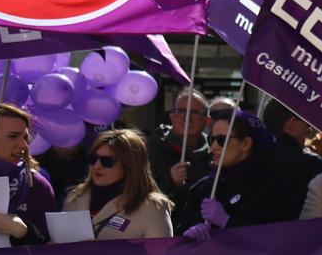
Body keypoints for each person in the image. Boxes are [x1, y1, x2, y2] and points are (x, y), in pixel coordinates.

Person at [176, 110, 282, 241]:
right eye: (211, 139)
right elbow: (176, 248)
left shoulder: (271, 186)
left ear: (246, 144)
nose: (213, 147)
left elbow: (274, 240)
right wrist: (189, 236)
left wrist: (227, 221)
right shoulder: (202, 188)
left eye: (222, 140)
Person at [65, 129, 173, 239]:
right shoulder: (74, 197)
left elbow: (161, 254)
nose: (97, 166)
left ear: (129, 166)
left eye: (107, 161)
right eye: (93, 159)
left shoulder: (153, 207)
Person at [0, 103, 56, 246]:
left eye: (25, 137)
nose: (24, 145)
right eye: (13, 136)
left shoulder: (37, 185)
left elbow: (51, 252)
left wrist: (23, 232)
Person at [148, 89, 212, 220]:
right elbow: (141, 198)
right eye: (180, 111)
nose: (186, 117)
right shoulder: (152, 150)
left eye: (194, 112)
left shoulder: (214, 154)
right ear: (172, 117)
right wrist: (171, 182)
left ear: (207, 120)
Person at [262, 100, 322, 221]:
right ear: (291, 124)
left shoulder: (252, 157)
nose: (309, 130)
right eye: (306, 123)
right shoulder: (309, 164)